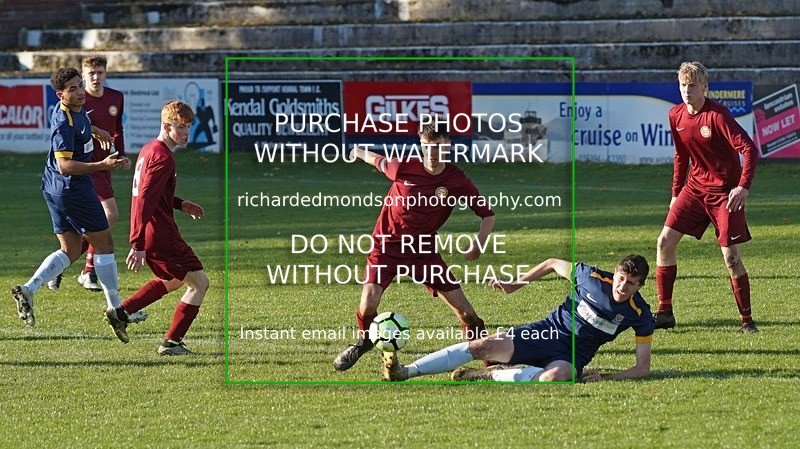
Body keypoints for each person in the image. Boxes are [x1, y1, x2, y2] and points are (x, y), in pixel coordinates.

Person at [333, 120, 496, 371]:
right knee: (368, 303)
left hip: (423, 253)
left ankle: (489, 360)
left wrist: (478, 244)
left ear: (448, 145)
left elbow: (487, 214)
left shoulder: (456, 180)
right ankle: (365, 341)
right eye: (426, 146)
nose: (432, 152)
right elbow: (376, 159)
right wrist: (357, 152)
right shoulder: (403, 168)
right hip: (386, 247)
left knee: (466, 314)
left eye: (437, 146)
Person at [382, 255, 654, 382]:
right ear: (615, 273)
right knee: (482, 346)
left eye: (631, 283)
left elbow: (642, 368)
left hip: (572, 356)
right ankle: (406, 371)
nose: (622, 287)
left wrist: (606, 378)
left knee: (555, 378)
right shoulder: (590, 277)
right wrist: (515, 284)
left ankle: (490, 375)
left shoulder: (640, 315)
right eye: (620, 278)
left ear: (640, 286)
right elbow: (551, 263)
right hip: (545, 333)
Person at [11, 66, 130, 326]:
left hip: (54, 188)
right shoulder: (64, 124)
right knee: (105, 244)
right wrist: (102, 166)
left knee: (72, 249)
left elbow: (82, 123)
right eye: (72, 89)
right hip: (73, 189)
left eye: (79, 85)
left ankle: (29, 289)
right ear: (60, 95)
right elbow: (66, 165)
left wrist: (97, 131)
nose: (80, 92)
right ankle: (116, 308)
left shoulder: (74, 111)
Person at [655, 61, 758, 333]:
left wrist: (743, 186)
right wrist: (676, 194)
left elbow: (749, 149)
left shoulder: (718, 116)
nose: (687, 91)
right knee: (664, 241)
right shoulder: (675, 115)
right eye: (683, 85)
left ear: (705, 87)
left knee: (731, 258)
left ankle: (747, 321)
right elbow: (681, 156)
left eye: (692, 85)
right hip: (694, 190)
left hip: (725, 194)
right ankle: (665, 311)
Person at [103, 100, 210, 356]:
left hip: (156, 231)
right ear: (166, 126)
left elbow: (152, 194)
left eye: (188, 127)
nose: (186, 132)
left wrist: (180, 203)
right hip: (159, 234)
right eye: (181, 127)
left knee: (172, 280)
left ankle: (121, 312)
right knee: (200, 283)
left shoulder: (151, 149)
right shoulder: (163, 157)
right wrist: (137, 243)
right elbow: (143, 200)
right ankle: (171, 343)